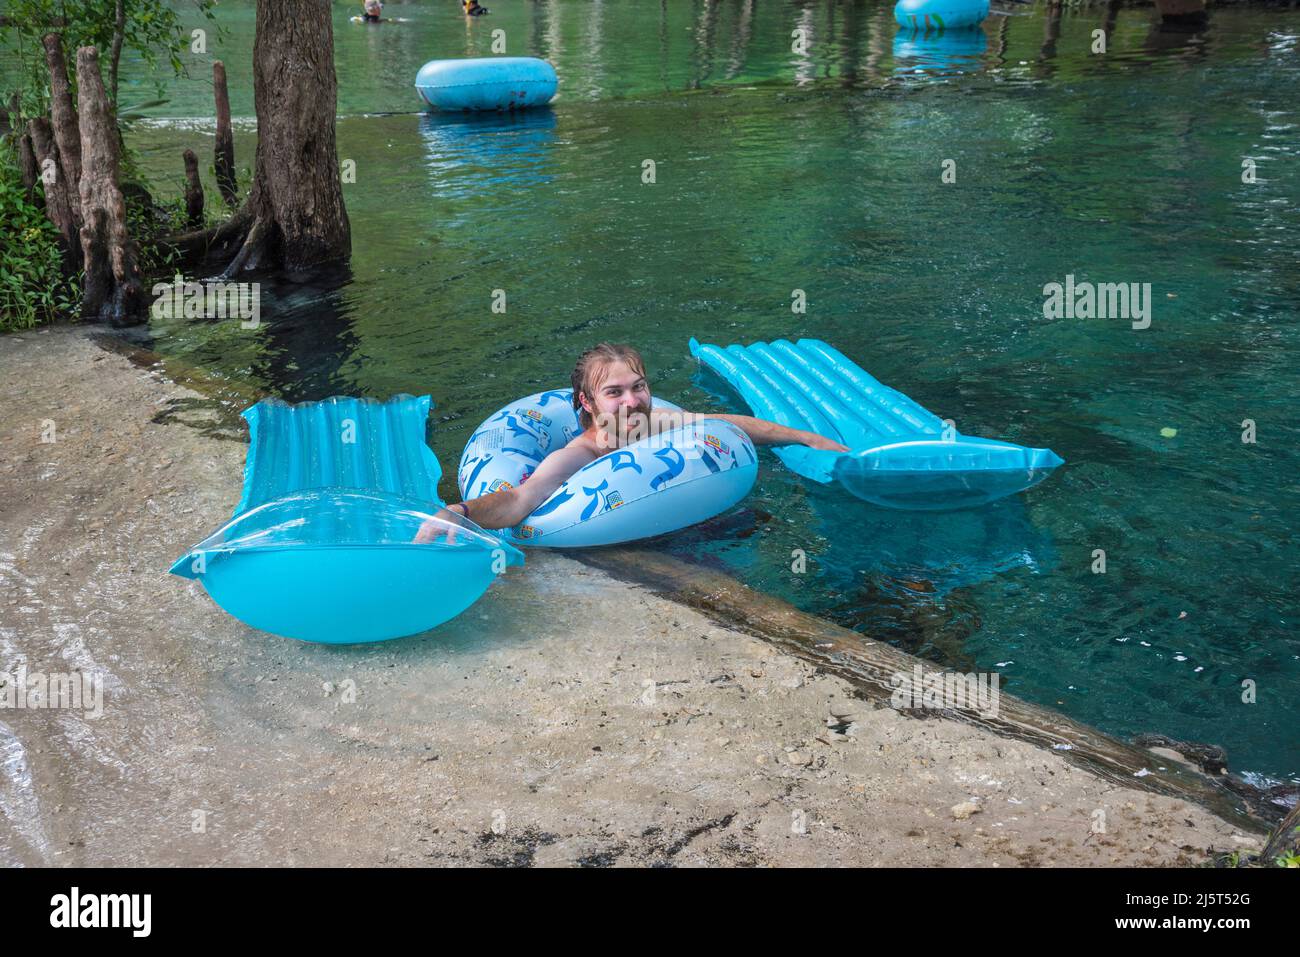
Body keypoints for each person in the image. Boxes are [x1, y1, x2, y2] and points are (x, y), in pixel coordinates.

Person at [415, 343, 847, 541]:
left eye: (639, 387)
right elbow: (519, 500)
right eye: (615, 392)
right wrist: (461, 510)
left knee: (759, 520)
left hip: (683, 514)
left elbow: (726, 424)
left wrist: (808, 438)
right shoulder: (577, 455)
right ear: (586, 401)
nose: (632, 400)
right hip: (619, 538)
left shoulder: (655, 423)